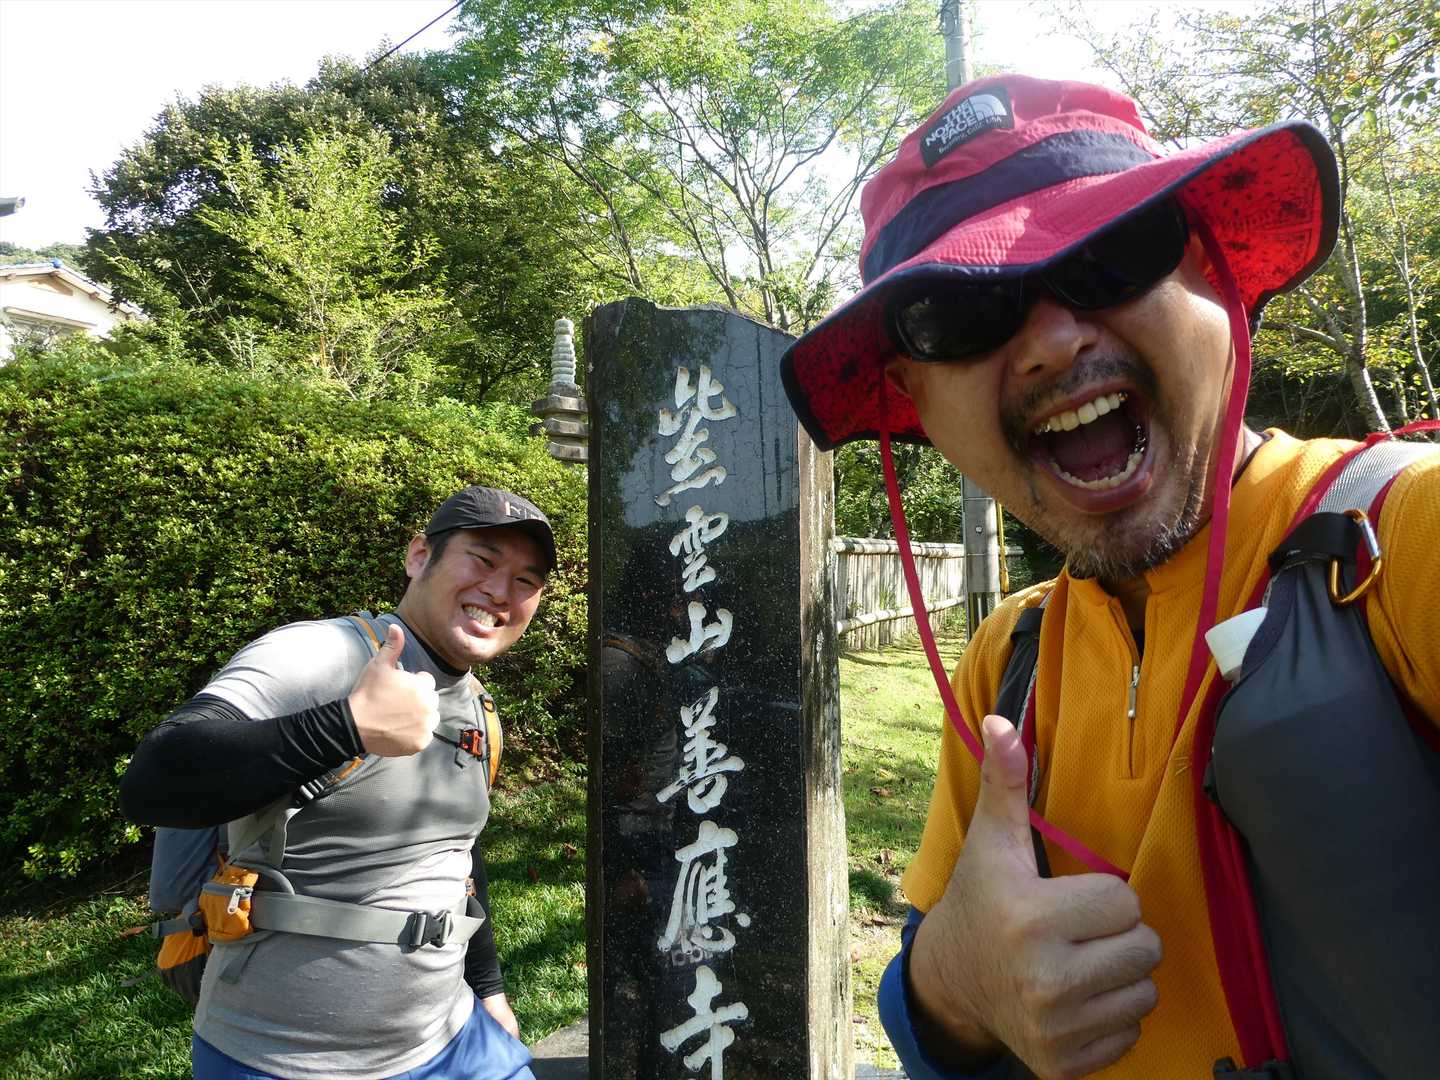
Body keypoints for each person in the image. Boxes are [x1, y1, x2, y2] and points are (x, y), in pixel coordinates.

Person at [780, 75, 1440, 1078]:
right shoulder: (1008, 663)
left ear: (1210, 269)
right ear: (914, 397)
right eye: (961, 312)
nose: (1051, 342)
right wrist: (955, 982)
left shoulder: (1402, 535)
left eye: (1110, 252)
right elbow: (938, 981)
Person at [121, 485, 556, 1080]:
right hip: (283, 1057)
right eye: (483, 560)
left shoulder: (476, 705)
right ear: (419, 556)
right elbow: (154, 779)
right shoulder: (322, 654)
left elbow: (455, 855)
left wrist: (489, 990)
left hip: (454, 1041)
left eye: (526, 581)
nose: (501, 592)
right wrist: (346, 726)